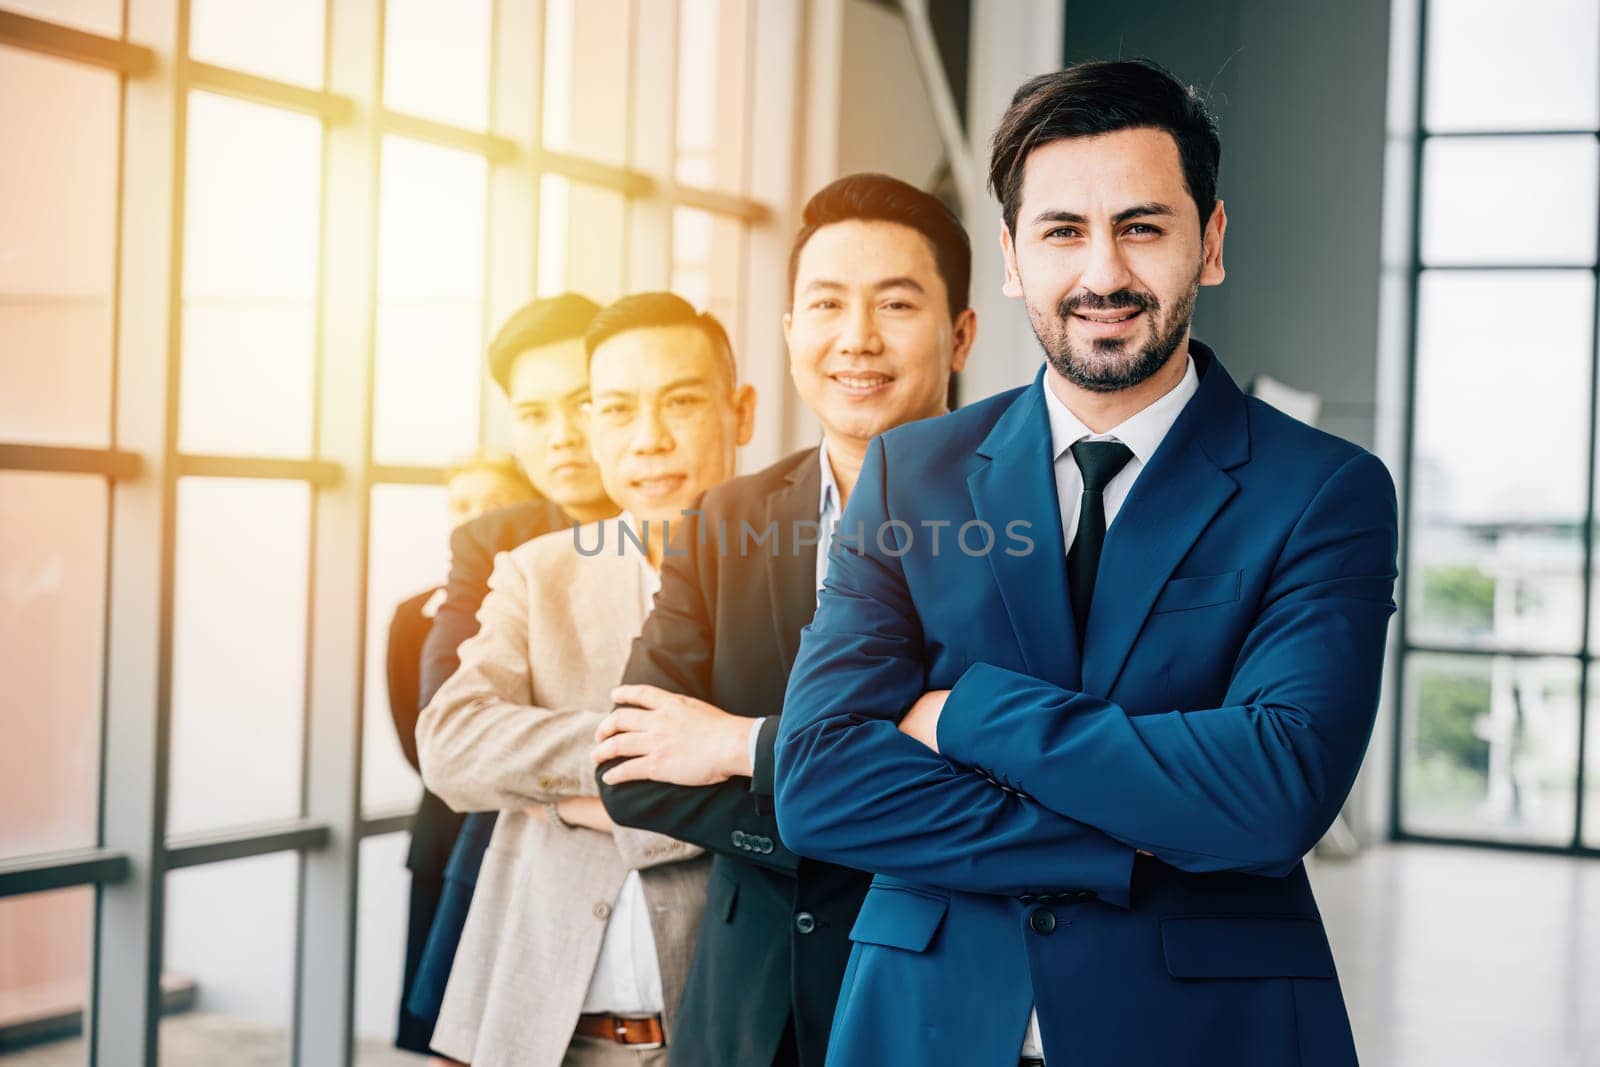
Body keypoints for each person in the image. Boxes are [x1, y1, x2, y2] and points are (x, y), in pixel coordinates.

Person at [775, 59, 1398, 1067]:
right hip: (926, 1022)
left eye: (1141, 227)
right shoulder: (910, 474)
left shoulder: (1323, 490)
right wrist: (1131, 837)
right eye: (1063, 230)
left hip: (1204, 1029)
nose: (1102, 273)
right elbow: (817, 782)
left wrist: (963, 711)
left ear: (1212, 243)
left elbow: (1272, 792)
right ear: (1014, 257)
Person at [590, 174, 976, 1067]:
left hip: (932, 996)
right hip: (741, 1010)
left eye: (896, 304)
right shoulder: (728, 517)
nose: (857, 339)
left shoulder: (1026, 518)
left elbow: (987, 776)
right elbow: (629, 768)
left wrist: (742, 743)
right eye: (827, 305)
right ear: (793, 331)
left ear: (960, 332)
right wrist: (825, 822)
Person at [417, 292, 758, 1066]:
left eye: (679, 403)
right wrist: (658, 752)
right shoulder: (538, 572)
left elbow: (806, 790)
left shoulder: (804, 567)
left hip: (720, 1033)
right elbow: (450, 744)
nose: (648, 440)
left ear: (740, 412)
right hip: (544, 1031)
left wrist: (565, 791)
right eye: (616, 410)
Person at [399, 294, 618, 1061]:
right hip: (509, 873)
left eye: (584, 403)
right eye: (532, 414)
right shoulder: (496, 543)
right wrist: (665, 756)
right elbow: (452, 728)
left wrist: (532, 750)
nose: (561, 436)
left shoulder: (716, 530)